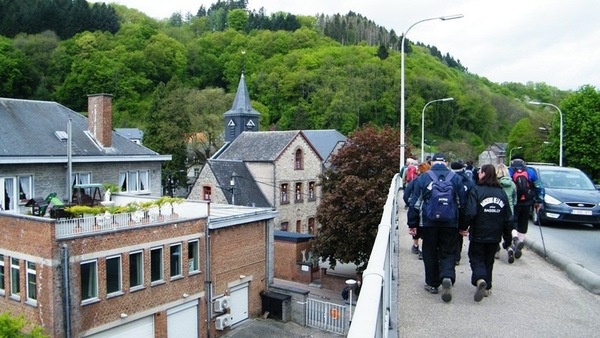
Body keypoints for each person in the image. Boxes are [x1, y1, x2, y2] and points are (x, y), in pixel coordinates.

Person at [407, 153, 466, 302]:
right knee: (448, 251)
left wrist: (412, 224)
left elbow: (415, 203)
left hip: (428, 223)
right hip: (450, 223)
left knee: (430, 252)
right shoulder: (456, 178)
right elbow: (462, 204)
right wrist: (463, 226)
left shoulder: (423, 178)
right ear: (446, 163)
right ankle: (447, 276)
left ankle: (433, 284)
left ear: (432, 162)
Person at [460, 164, 514, 301]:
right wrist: (507, 240)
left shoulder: (476, 190)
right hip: (495, 233)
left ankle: (480, 279)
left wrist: (463, 227)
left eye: (480, 172)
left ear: (483, 173)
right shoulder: (501, 192)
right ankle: (487, 287)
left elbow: (470, 212)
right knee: (489, 260)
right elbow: (508, 218)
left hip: (479, 232)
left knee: (476, 257)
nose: (478, 174)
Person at [508, 155, 544, 260]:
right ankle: (520, 243)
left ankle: (514, 241)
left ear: (512, 162)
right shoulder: (530, 172)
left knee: (512, 223)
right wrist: (538, 201)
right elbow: (538, 187)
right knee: (523, 224)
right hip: (527, 202)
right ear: (523, 162)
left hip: (513, 202)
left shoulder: (509, 171)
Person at [403, 161, 431, 260]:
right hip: (427, 208)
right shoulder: (432, 180)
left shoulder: (416, 180)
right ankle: (423, 251)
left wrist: (409, 203)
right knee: (424, 228)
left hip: (415, 207)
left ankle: (415, 245)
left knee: (415, 226)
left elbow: (406, 193)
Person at [451, 161, 475, 266]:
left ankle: (448, 255)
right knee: (459, 234)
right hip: (463, 211)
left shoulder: (449, 179)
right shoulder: (468, 181)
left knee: (449, 233)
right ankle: (456, 257)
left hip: (450, 211)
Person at [495, 163, 519, 262]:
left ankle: (496, 251)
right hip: (510, 212)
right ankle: (509, 247)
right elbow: (515, 200)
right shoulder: (512, 184)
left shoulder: (496, 183)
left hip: (498, 211)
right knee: (507, 232)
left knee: (496, 232)